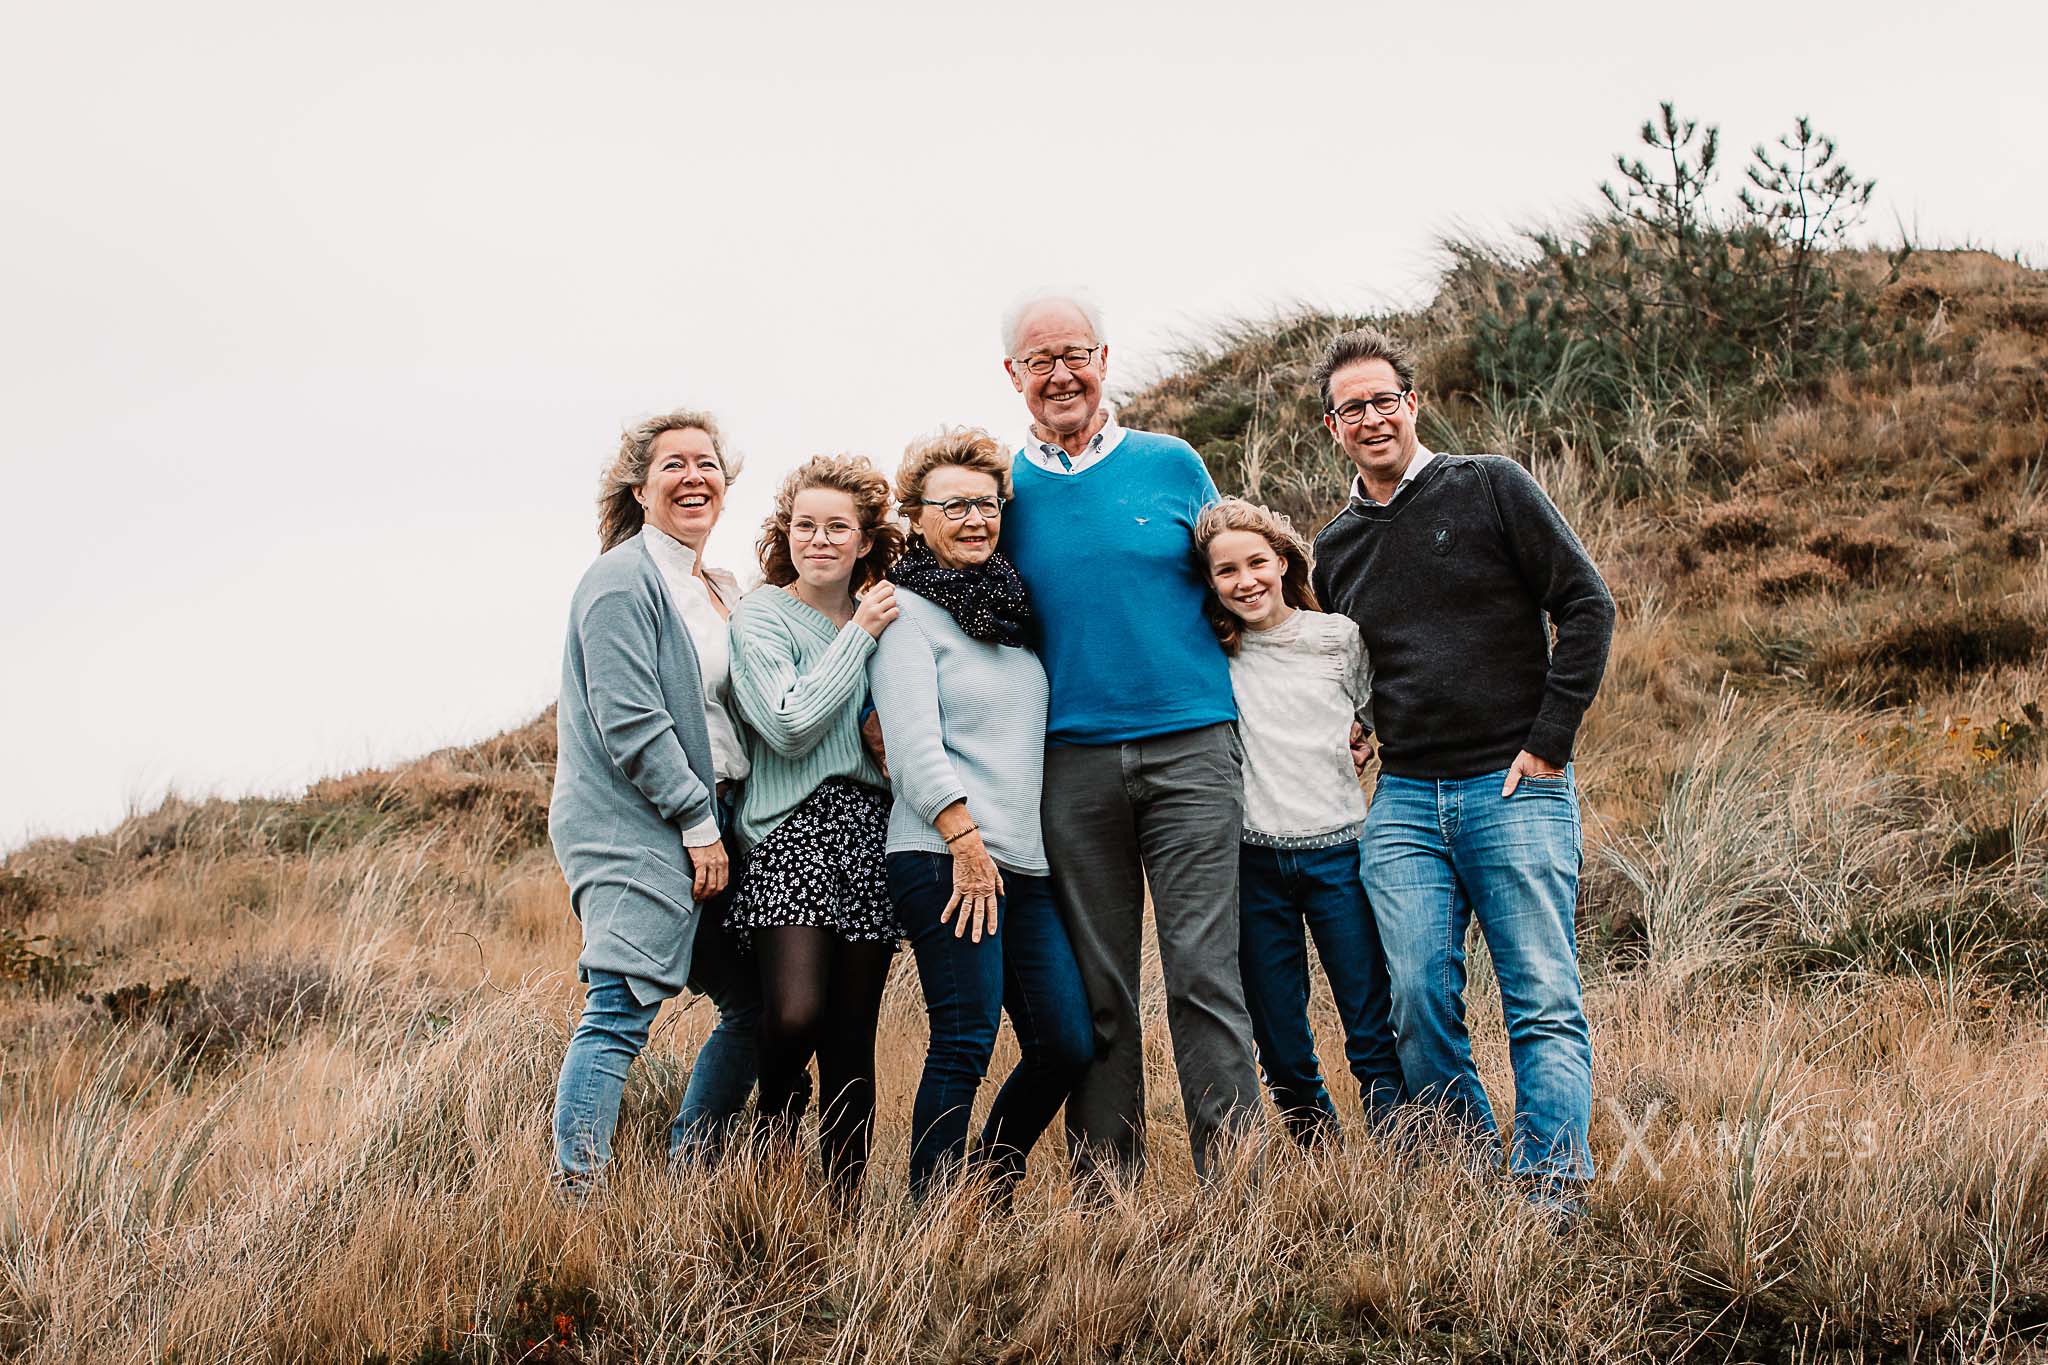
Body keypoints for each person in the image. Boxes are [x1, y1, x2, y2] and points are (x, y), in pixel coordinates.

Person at [1307, 326, 1615, 1209]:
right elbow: (1368, 660)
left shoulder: (1490, 486)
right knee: (1415, 1001)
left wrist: (1549, 742)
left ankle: (1551, 1190)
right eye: (1349, 408)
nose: (1369, 418)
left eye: (1382, 400)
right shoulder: (1336, 548)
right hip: (1403, 800)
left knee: (1542, 997)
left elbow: (1587, 605)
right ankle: (1473, 1174)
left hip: (1512, 786)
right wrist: (1362, 723)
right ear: (1332, 428)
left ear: (1411, 404)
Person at [995, 289, 1263, 1184]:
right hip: (1067, 762)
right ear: (1014, 377)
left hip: (1193, 746)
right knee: (1099, 986)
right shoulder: (1003, 496)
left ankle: (1238, 1190)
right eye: (1041, 361)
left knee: (1203, 973)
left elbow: (1242, 581)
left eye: (1076, 353)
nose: (1061, 373)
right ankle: (1110, 1195)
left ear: (1105, 359)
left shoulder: (1173, 463)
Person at [869, 427, 1094, 1201]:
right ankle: (933, 1219)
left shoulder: (1010, 611)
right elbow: (913, 744)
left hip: (1022, 866)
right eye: (954, 505)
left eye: (988, 503)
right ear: (917, 515)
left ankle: (990, 1178)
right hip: (943, 855)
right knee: (963, 1040)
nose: (975, 519)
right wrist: (964, 841)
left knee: (1066, 1042)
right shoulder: (904, 613)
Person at [549, 408, 761, 1183]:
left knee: (756, 1005)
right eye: (673, 464)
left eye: (706, 463)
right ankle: (578, 1194)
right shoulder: (619, 581)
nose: (693, 477)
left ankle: (691, 1168)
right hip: (636, 825)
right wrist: (699, 825)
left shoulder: (720, 586)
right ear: (641, 487)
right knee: (618, 1010)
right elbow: (632, 722)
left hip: (719, 824)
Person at [1194, 497, 1407, 1148]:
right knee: (1279, 1033)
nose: (1245, 581)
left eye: (1256, 562)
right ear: (1210, 582)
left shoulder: (1336, 639)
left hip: (1341, 853)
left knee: (1369, 1020)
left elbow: (1380, 715)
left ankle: (1405, 1152)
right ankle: (1320, 1153)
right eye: (1225, 571)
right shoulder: (1214, 652)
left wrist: (1364, 735)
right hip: (1254, 860)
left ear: (1283, 562)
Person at [725, 454, 903, 1200]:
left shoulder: (888, 615)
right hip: (790, 827)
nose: (819, 539)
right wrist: (858, 635)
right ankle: (772, 1120)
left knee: (851, 1044)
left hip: (869, 829)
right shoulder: (762, 613)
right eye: (805, 525)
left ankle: (841, 1215)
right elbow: (791, 724)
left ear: (864, 540)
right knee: (794, 1014)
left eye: (837, 526)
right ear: (785, 533)